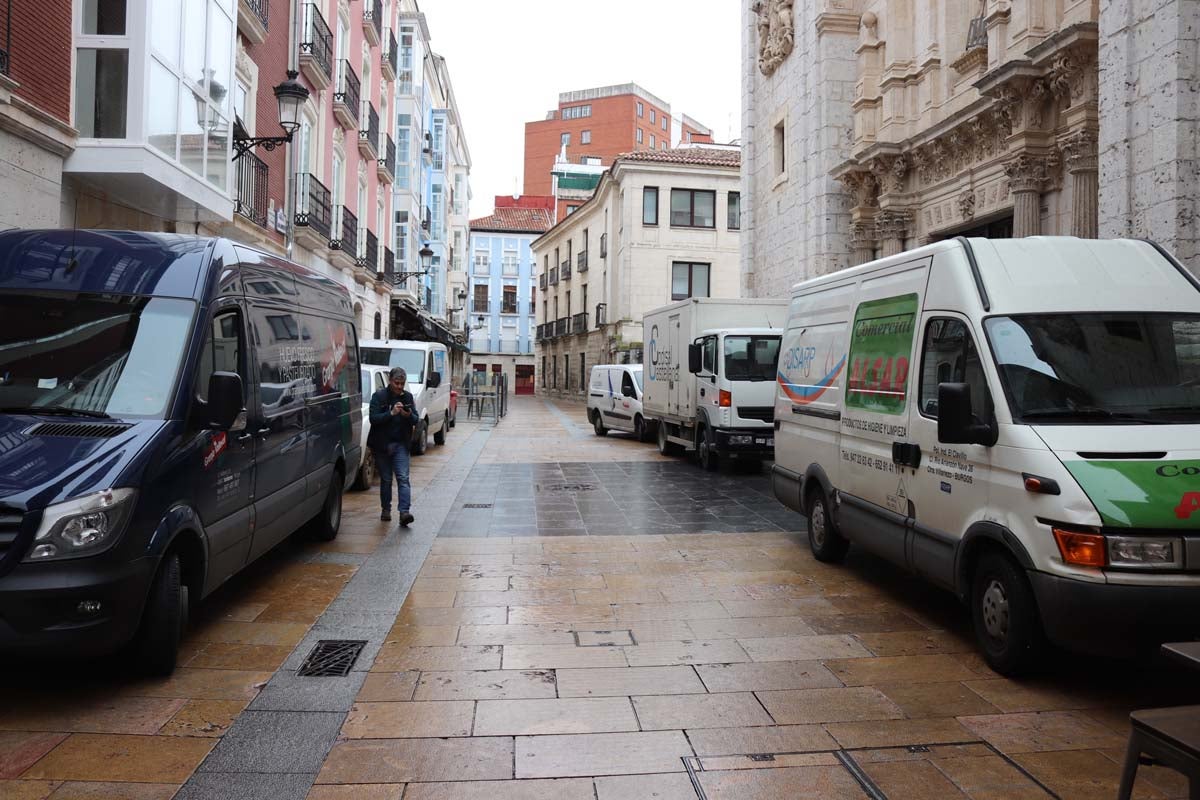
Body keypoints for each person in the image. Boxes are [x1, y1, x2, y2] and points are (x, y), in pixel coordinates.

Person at [367, 366, 416, 526]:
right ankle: (385, 509)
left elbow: (416, 419)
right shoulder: (379, 396)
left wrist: (408, 415)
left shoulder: (408, 397)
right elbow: (373, 419)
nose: (400, 387)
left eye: (402, 383)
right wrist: (391, 413)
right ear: (390, 381)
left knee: (403, 478)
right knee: (386, 479)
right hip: (382, 445)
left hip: (401, 444)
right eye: (397, 383)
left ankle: (404, 512)